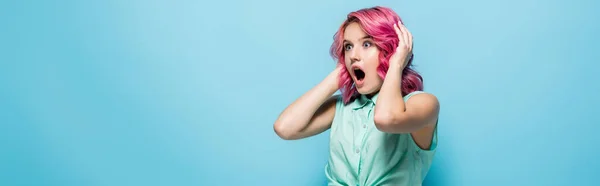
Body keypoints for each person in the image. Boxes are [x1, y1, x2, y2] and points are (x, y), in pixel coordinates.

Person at [273, 6, 440, 186]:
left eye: (367, 44)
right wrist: (339, 76)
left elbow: (386, 118)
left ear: (391, 50)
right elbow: (284, 128)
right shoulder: (341, 108)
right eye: (348, 47)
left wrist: (396, 65)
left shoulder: (423, 103)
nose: (353, 55)